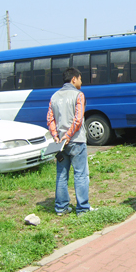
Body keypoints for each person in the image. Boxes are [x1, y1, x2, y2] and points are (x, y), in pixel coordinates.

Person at [47, 67, 94, 216]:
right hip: (76, 141)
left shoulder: (54, 96)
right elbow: (78, 119)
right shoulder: (78, 95)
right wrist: (68, 136)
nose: (81, 82)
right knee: (80, 174)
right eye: (80, 79)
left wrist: (57, 137)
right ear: (74, 79)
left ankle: (61, 208)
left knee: (61, 174)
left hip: (60, 143)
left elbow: (50, 119)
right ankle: (82, 208)